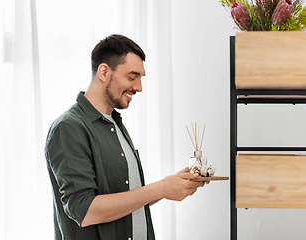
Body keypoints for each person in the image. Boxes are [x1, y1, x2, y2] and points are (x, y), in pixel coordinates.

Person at [45, 34, 205, 240]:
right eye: (132, 77)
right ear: (104, 72)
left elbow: (126, 199)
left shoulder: (114, 124)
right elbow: (84, 210)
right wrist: (159, 188)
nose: (139, 87)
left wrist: (169, 186)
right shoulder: (69, 127)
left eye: (141, 78)